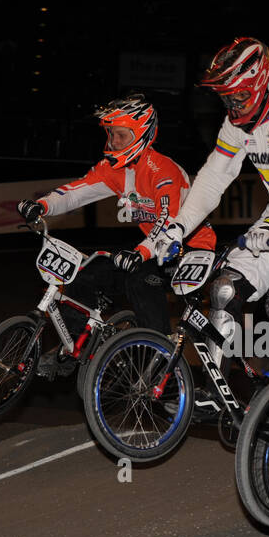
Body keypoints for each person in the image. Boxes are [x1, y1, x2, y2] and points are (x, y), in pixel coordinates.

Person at [151, 38, 269, 378]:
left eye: (239, 97)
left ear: (261, 83)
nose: (233, 108)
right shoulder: (235, 125)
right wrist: (177, 227)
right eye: (226, 99)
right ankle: (214, 388)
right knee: (225, 289)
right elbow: (212, 179)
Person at [17, 93, 215, 375]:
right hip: (152, 248)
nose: (113, 143)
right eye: (111, 135)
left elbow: (167, 223)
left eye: (121, 135)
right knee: (85, 273)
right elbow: (75, 194)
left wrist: (141, 253)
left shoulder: (163, 171)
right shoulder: (114, 170)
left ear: (142, 134)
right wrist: (42, 205)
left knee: (141, 280)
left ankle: (161, 367)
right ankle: (73, 348)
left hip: (190, 249)